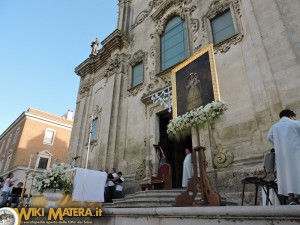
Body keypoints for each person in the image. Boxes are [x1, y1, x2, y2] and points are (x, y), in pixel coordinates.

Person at [267, 109, 300, 205]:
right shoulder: (296, 123)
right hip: (297, 153)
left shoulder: (275, 126)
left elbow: (269, 137)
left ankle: (291, 197)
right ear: (291, 115)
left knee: (286, 175)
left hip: (282, 156)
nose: (295, 118)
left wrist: (278, 146)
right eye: (294, 116)